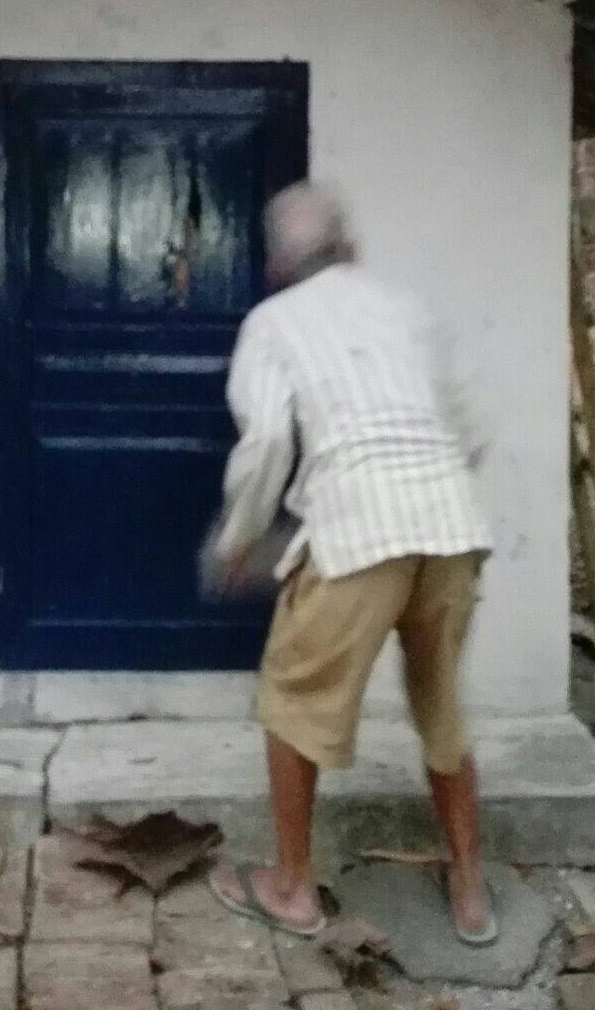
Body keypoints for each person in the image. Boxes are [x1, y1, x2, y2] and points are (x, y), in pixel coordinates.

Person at [206, 182, 498, 946]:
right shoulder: (405, 308)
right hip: (452, 527)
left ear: (277, 267)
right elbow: (469, 425)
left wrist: (239, 541)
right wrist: (431, 491)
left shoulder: (273, 322)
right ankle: (469, 887)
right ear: (352, 250)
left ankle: (292, 888)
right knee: (442, 703)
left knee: (292, 698)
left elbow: (268, 443)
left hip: (357, 531)